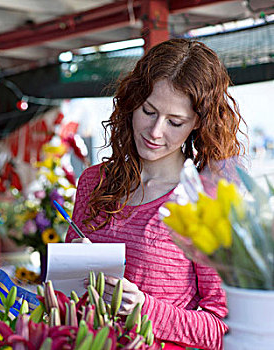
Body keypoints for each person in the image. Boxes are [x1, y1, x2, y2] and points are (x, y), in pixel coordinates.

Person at [66, 38, 245, 350]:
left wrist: (144, 309)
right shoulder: (93, 182)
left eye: (175, 121)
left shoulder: (208, 201)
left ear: (198, 124)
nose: (155, 131)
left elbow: (225, 328)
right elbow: (64, 294)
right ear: (133, 102)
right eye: (148, 111)